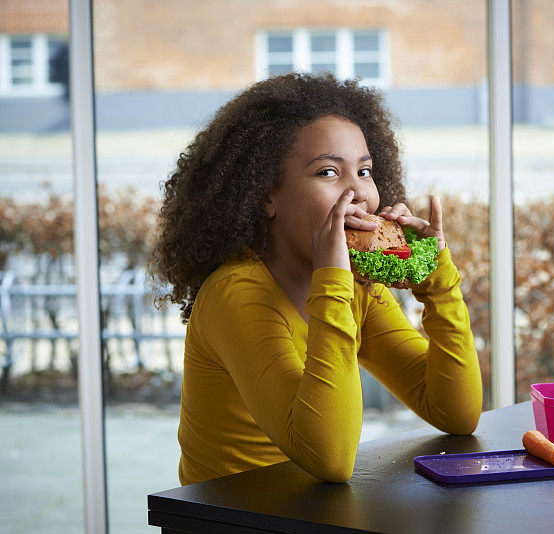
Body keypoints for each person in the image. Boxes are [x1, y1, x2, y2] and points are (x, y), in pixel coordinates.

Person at [150, 72, 482, 485]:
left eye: (364, 170)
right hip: (232, 517)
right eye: (328, 173)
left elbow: (456, 412)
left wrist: (437, 281)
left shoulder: (355, 288)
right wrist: (333, 280)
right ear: (264, 195)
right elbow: (330, 457)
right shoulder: (235, 294)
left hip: (312, 512)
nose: (358, 193)